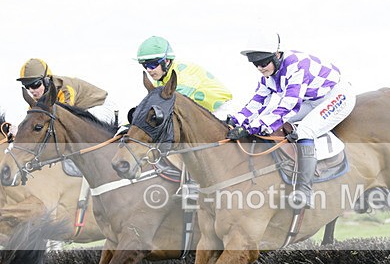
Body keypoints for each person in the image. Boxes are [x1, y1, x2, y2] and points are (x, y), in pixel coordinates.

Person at [226, 33, 356, 208]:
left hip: (337, 96)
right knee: (268, 118)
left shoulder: (296, 65)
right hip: (310, 100)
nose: (260, 68)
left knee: (304, 132)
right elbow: (258, 101)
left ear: (277, 54)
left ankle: (304, 191)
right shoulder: (269, 73)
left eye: (264, 62)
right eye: (255, 64)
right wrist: (238, 121)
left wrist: (256, 127)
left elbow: (289, 104)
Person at [136, 35, 233, 115]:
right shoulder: (159, 82)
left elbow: (171, 103)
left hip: (222, 110)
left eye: (152, 64)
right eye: (145, 65)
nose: (149, 70)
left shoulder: (184, 73)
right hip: (204, 113)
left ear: (166, 61)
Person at [17, 58, 108, 109]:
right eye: (27, 86)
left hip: (100, 107)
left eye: (35, 85)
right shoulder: (38, 97)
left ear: (46, 80)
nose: (31, 90)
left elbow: (63, 115)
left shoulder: (65, 89)